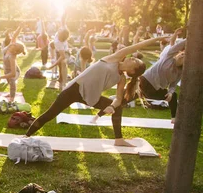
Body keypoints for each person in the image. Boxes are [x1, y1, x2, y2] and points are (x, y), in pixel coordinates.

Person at [26, 36, 170, 146]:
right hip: (74, 89)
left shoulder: (121, 79)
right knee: (51, 113)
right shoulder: (115, 58)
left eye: (135, 61)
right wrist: (157, 38)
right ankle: (26, 136)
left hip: (90, 97)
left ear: (132, 70)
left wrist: (112, 106)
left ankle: (118, 139)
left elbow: (118, 99)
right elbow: (136, 46)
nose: (132, 57)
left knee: (118, 108)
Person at [139, 30, 185, 123]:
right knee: (129, 95)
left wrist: (171, 92)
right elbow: (177, 45)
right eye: (182, 54)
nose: (182, 56)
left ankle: (174, 118)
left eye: (185, 57)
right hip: (145, 81)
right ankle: (115, 105)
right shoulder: (169, 56)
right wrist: (191, 37)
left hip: (155, 90)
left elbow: (173, 85)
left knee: (173, 95)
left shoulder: (180, 72)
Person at [0, 25, 25, 102]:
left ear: (15, 51)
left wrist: (1, 77)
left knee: (12, 81)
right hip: (7, 70)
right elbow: (15, 36)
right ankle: (11, 94)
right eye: (14, 43)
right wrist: (20, 27)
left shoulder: (12, 57)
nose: (13, 44)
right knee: (9, 81)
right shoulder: (10, 46)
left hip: (15, 72)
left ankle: (12, 98)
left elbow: (13, 74)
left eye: (14, 45)